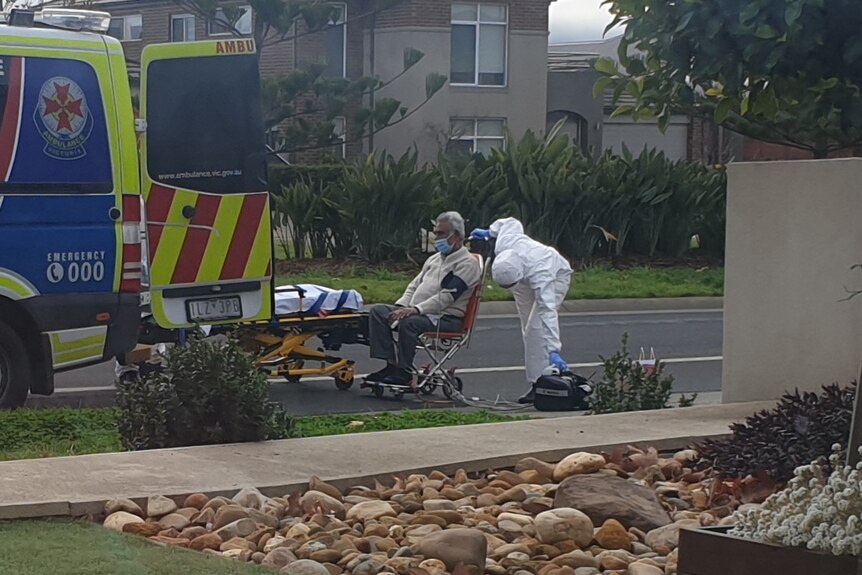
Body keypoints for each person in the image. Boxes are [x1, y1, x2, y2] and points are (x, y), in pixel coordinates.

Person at [367, 212, 482, 386]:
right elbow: (413, 285)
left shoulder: (467, 264)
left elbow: (448, 296)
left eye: (441, 234)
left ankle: (404, 371)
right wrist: (401, 306)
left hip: (446, 317)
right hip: (417, 311)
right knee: (377, 312)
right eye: (435, 233)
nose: (437, 238)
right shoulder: (434, 259)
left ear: (457, 235)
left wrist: (416, 310)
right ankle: (391, 365)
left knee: (410, 322)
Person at [471, 217, 573, 403]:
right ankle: (539, 380)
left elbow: (547, 311)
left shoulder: (542, 273)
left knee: (536, 329)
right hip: (522, 281)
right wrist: (491, 232)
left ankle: (541, 383)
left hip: (556, 275)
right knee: (528, 330)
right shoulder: (505, 245)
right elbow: (510, 222)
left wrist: (553, 349)